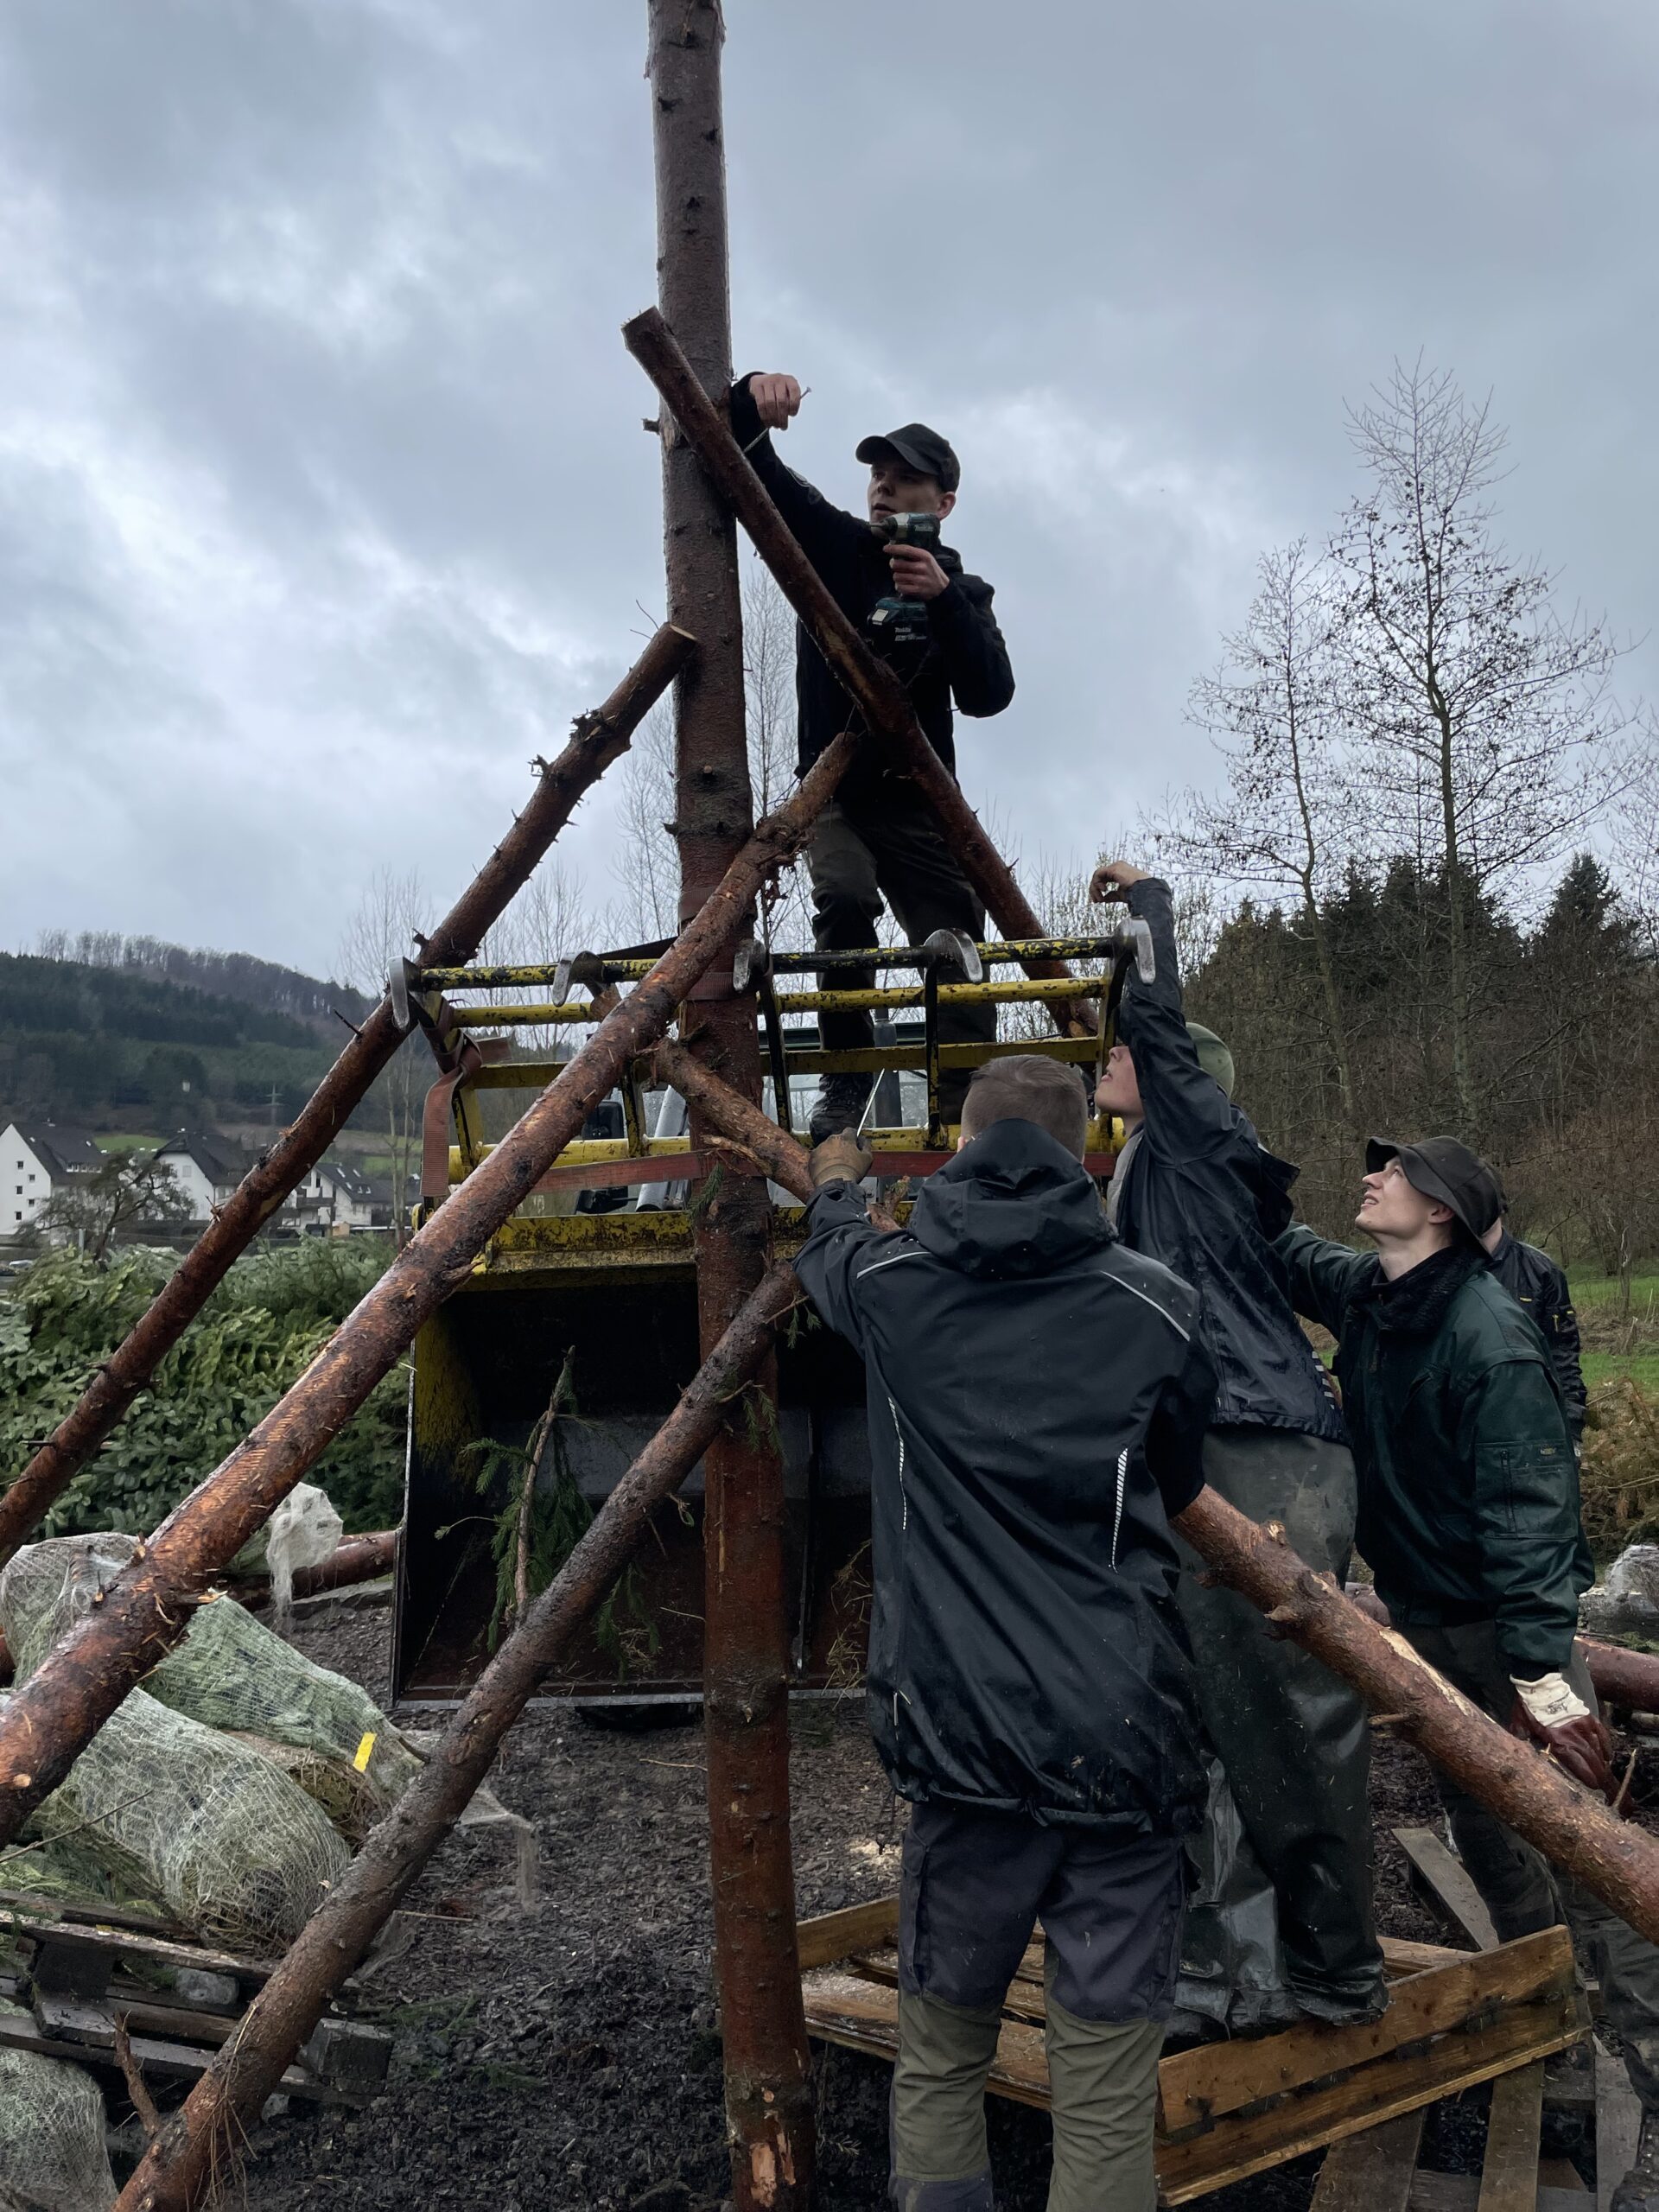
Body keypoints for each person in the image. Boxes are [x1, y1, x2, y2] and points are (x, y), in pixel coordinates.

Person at [795, 1054, 1215, 2212]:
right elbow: (1180, 1480)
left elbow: (828, 1251)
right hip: (1124, 1734)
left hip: (965, 1735)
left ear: (965, 1146)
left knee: (940, 2053)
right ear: (1084, 1154)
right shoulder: (1159, 1304)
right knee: (1107, 2086)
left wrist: (836, 1181)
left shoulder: (892, 1289)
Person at [1277, 1137, 1659, 2212]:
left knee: (1590, 1865)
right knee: (1488, 1839)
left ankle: (1656, 2086)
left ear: (1441, 1210)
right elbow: (1282, 1248)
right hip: (1424, 1623)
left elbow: (1533, 1514)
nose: (1371, 1178)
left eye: (1394, 1173)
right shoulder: (1372, 1293)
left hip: (1508, 1636)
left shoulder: (1491, 1337)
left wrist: (1542, 1681)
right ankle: (1557, 2027)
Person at [1086, 858, 1386, 2031]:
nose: (1112, 1056)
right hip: (1203, 1450)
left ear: (1181, 1081)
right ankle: (1230, 1978)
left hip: (1262, 1451)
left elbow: (1157, 1026)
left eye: (1127, 1051)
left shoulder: (1202, 1137)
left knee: (1289, 1723)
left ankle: (1336, 1969)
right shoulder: (1148, 1171)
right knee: (1204, 1720)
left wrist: (1149, 908)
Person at [728, 371, 1014, 1141]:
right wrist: (751, 395)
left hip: (920, 802)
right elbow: (752, 466)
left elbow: (990, 694)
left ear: (943, 504)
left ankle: (965, 1106)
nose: (883, 489)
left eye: (903, 479)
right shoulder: (838, 549)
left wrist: (942, 600)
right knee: (845, 898)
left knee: (955, 937)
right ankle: (847, 1079)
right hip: (837, 794)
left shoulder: (966, 592)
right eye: (877, 477)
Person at [1478, 1173, 1588, 1448]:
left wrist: (1571, 1431)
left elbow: (1563, 1356)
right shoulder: (1441, 1269)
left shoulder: (1542, 1272)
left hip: (1528, 1425)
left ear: (1499, 1203)